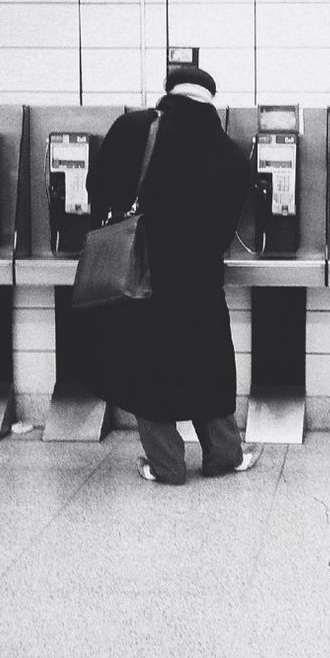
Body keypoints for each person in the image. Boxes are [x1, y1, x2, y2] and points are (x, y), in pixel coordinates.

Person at [80, 65, 261, 484]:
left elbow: (97, 189)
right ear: (210, 99)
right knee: (209, 361)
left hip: (142, 272)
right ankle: (225, 455)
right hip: (198, 279)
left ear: (169, 93)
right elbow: (225, 228)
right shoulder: (231, 154)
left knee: (149, 364)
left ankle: (167, 465)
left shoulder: (134, 129)